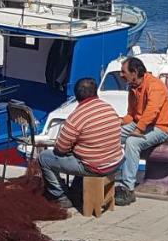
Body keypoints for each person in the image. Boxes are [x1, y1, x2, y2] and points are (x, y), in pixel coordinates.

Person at [37, 77, 123, 209]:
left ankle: (60, 196)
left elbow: (60, 149)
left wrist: (71, 148)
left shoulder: (77, 116)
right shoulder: (108, 108)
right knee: (82, 155)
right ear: (96, 93)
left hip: (95, 167)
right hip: (116, 162)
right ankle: (76, 191)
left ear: (76, 96)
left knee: (44, 158)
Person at [117, 56, 168, 205]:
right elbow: (131, 115)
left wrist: (139, 129)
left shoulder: (154, 86)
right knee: (110, 134)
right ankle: (105, 175)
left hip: (158, 127)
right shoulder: (133, 88)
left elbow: (152, 111)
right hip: (139, 123)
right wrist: (119, 121)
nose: (121, 75)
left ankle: (127, 188)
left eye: (123, 72)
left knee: (132, 142)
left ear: (134, 72)